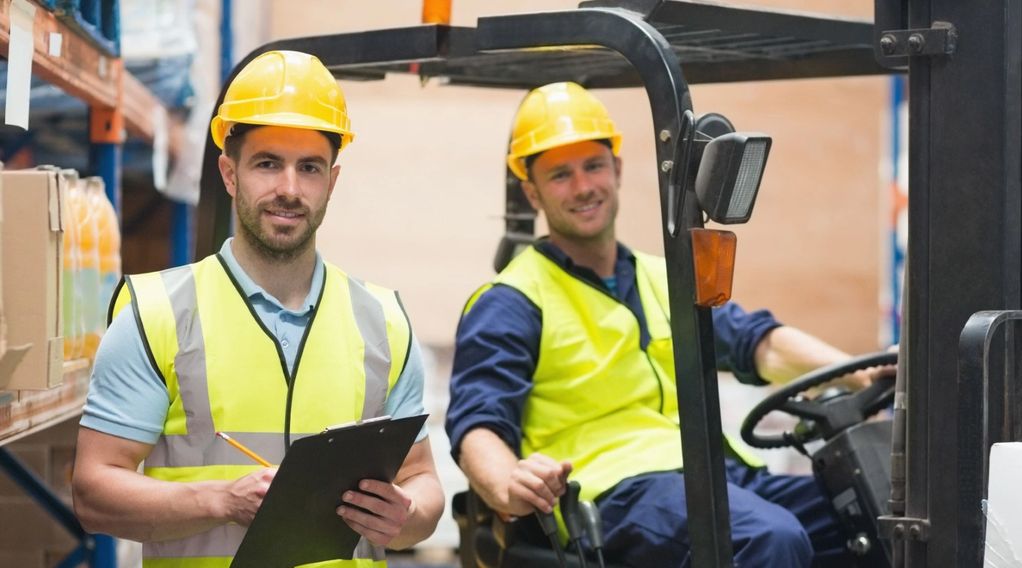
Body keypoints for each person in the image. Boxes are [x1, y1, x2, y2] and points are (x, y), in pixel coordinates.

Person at [445, 81, 886, 568]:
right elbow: (478, 424)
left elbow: (757, 344)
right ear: (533, 192)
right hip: (612, 491)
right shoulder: (513, 299)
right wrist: (507, 484)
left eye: (593, 166)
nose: (584, 186)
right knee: (767, 539)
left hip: (712, 472)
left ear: (616, 168)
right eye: (560, 175)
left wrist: (864, 372)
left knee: (874, 513)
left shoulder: (665, 275)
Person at [72, 50, 443, 567]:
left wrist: (407, 516)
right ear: (230, 173)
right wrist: (220, 501)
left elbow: (422, 481)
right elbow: (92, 491)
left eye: (309, 168)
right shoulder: (156, 313)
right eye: (268, 163)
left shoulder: (381, 321)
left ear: (331, 182)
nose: (289, 189)